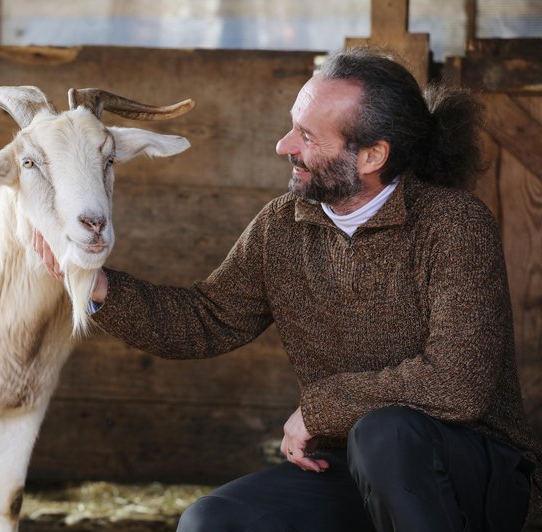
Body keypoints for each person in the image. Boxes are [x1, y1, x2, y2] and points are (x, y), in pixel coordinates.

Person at [35, 46, 542, 531]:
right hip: (347, 468)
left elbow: (457, 384)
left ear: (371, 156)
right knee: (214, 521)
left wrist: (322, 409)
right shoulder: (283, 226)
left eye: (307, 135)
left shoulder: (454, 224)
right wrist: (100, 288)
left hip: (472, 473)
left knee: (385, 434)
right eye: (291, 127)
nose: (284, 146)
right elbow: (207, 318)